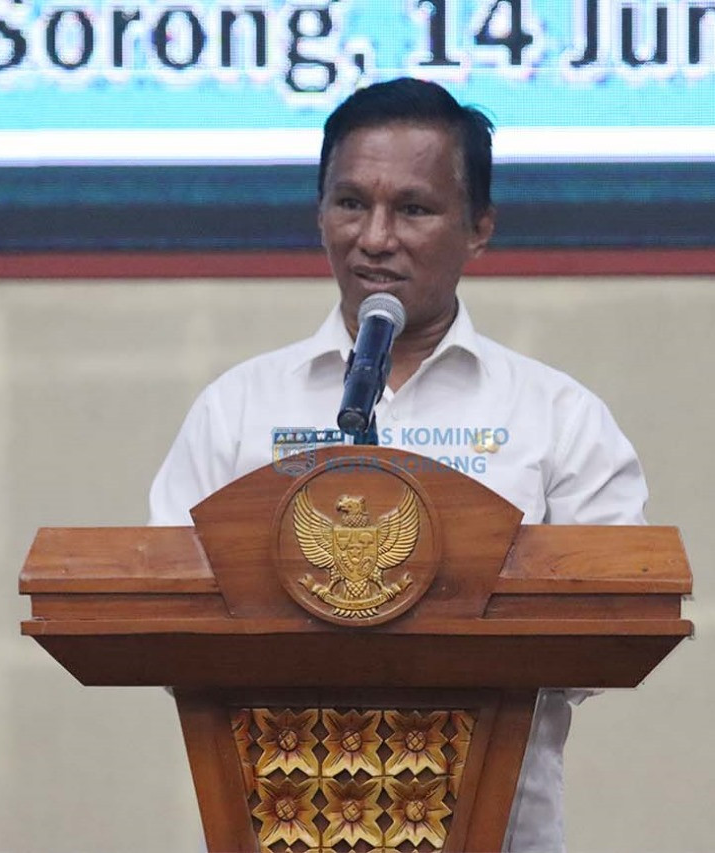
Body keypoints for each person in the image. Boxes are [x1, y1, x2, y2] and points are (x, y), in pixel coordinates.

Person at [149, 77, 647, 852]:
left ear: (479, 227)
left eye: (413, 209)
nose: (375, 237)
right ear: (319, 213)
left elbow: (615, 619)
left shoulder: (555, 415)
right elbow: (160, 606)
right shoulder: (237, 407)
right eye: (351, 203)